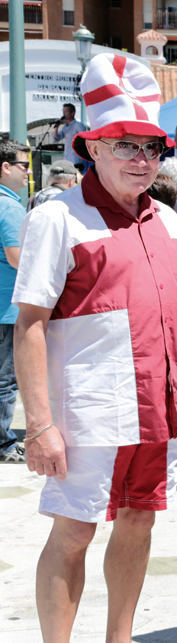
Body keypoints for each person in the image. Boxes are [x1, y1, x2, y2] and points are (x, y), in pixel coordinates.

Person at [13, 53, 177, 643]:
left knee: (139, 524)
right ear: (92, 147)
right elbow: (30, 325)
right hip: (88, 416)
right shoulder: (57, 218)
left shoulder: (169, 221)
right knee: (74, 532)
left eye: (151, 147)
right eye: (125, 146)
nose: (142, 160)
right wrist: (39, 425)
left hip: (156, 414)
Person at [0, 140, 29, 464]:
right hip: (7, 306)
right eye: (23, 165)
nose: (27, 172)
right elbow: (16, 257)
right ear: (5, 167)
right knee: (6, 380)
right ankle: (4, 444)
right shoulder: (9, 206)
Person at [50, 104, 87, 172]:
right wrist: (57, 126)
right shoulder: (65, 127)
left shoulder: (78, 126)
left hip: (76, 160)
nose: (64, 114)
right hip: (67, 160)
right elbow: (55, 139)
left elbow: (85, 139)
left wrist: (77, 139)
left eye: (66, 112)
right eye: (63, 111)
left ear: (72, 113)